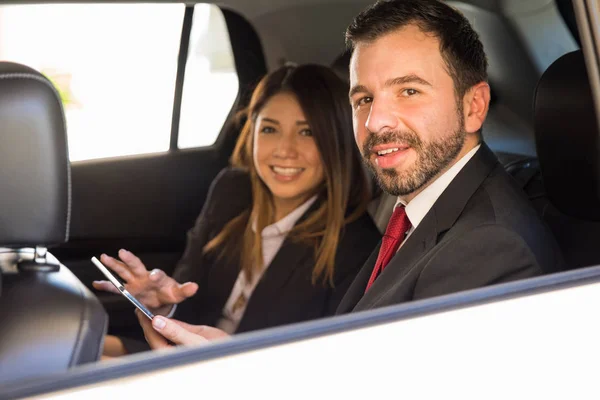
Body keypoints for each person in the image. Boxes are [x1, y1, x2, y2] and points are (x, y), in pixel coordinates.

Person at [135, 0, 565, 349]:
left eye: (409, 91)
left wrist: (229, 376)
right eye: (363, 99)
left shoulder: (490, 247)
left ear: (473, 106)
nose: (376, 122)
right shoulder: (426, 211)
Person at [96, 64, 381, 356]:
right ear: (252, 131)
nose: (285, 150)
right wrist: (166, 306)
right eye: (270, 129)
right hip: (177, 359)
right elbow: (189, 309)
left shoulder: (358, 248)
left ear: (337, 140)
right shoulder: (232, 192)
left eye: (307, 132)